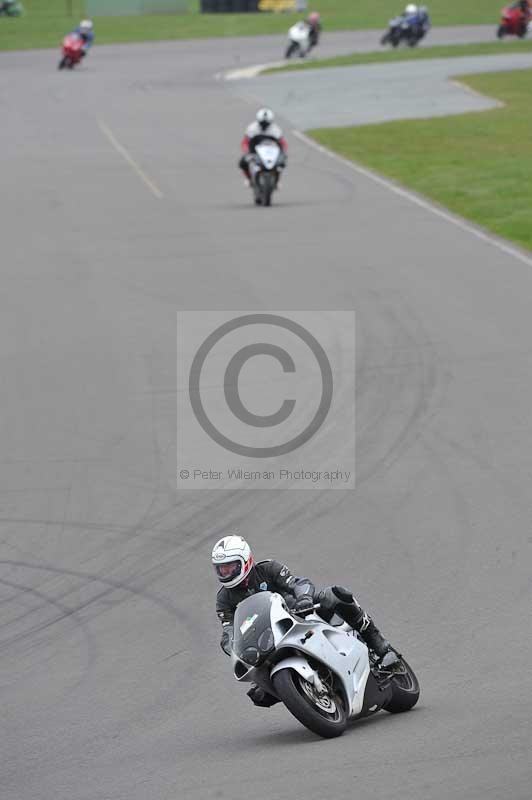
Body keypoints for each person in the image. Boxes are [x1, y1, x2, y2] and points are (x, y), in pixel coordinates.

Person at [213, 535, 399, 707]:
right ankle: (296, 691)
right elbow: (229, 630)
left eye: (230, 566)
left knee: (336, 595)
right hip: (266, 640)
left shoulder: (268, 569)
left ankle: (380, 647)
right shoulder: (224, 599)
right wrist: (232, 647)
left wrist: (303, 599)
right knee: (259, 694)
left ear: (245, 561)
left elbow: (298, 583)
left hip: (298, 613)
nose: (225, 572)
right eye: (221, 568)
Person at [238, 108, 287, 187]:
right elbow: (245, 142)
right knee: (242, 163)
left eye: (266, 124)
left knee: (281, 163)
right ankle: (249, 178)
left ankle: (276, 180)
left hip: (271, 152)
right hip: (255, 151)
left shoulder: (275, 129)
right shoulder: (252, 128)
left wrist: (283, 152)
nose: (264, 126)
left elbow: (282, 143)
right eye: (262, 123)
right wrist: (246, 151)